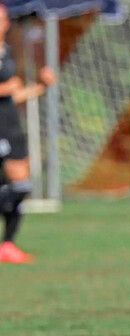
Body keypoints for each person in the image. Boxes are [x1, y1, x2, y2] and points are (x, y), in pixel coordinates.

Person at [0, 5, 57, 264]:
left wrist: (40, 87)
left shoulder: (6, 51)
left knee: (21, 186)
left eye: (2, 18)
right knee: (17, 185)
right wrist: (4, 88)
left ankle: (8, 244)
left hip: (11, 127)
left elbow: (14, 96)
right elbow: (7, 90)